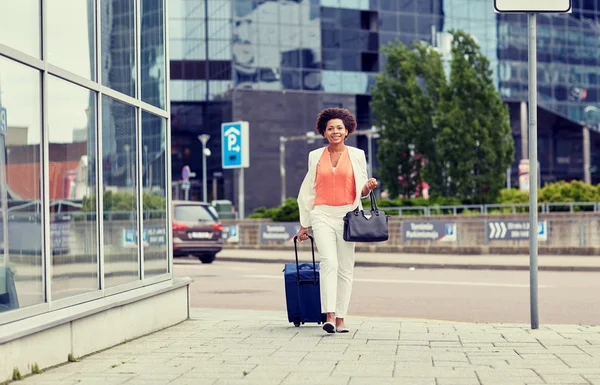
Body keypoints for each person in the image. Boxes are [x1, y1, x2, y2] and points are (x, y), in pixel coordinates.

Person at [296, 107, 378, 334]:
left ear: (347, 131)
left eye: (339, 128)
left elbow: (360, 192)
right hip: (321, 214)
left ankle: (341, 318)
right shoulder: (315, 156)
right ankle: (329, 316)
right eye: (330, 128)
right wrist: (305, 223)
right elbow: (309, 190)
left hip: (348, 216)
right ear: (324, 132)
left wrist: (368, 186)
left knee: (345, 268)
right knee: (328, 263)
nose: (335, 132)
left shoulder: (357, 155)